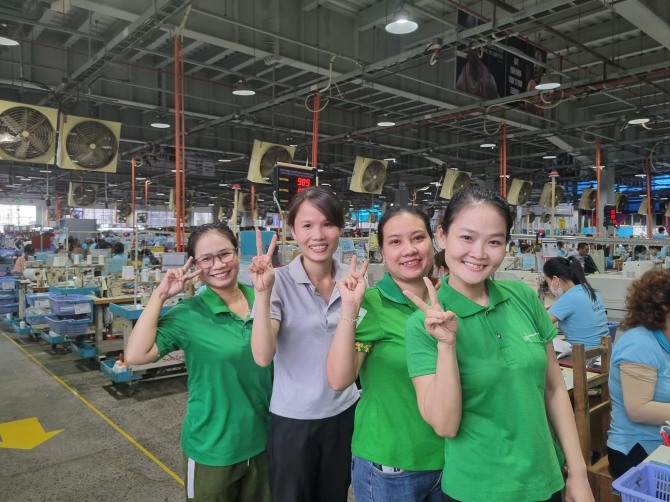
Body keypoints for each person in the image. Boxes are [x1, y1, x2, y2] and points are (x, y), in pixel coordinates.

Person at [404, 187, 593, 502]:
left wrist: (578, 473)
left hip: (546, 480)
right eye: (466, 237)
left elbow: (554, 389)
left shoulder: (523, 297)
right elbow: (445, 426)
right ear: (442, 236)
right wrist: (447, 345)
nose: (479, 253)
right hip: (476, 489)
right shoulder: (424, 326)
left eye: (494, 241)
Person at [125, 222, 272, 502]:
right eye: (206, 258)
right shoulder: (188, 314)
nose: (218, 265)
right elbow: (136, 356)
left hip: (263, 442)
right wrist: (161, 294)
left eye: (224, 254)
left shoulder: (263, 298)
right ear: (195, 265)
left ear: (237, 254)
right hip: (212, 448)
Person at [326, 206, 444, 502]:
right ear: (383, 251)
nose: (409, 250)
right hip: (392, 466)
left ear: (433, 241)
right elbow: (339, 380)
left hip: (451, 459)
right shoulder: (373, 304)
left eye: (418, 237)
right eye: (395, 241)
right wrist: (350, 309)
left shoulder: (451, 300)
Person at [249, 186, 359, 502]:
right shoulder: (277, 282)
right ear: (293, 231)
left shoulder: (351, 282)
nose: (318, 235)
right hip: (294, 422)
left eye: (327, 224)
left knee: (334, 495)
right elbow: (262, 355)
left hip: (343, 414)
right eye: (307, 226)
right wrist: (262, 292)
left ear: (340, 228)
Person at [607, 269, 670, 478]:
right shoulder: (639, 344)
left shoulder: (665, 340)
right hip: (638, 451)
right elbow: (639, 409)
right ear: (663, 306)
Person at [543, 256, 609, 349]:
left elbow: (541, 324)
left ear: (555, 279)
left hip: (582, 356)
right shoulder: (591, 291)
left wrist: (539, 312)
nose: (549, 286)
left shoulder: (569, 298)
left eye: (547, 282)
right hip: (601, 354)